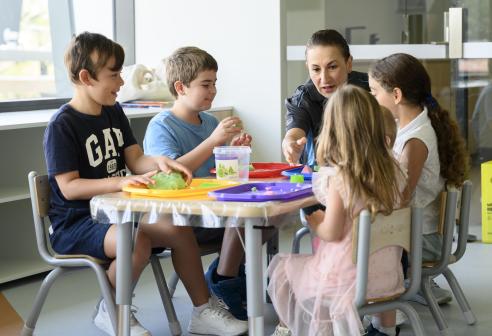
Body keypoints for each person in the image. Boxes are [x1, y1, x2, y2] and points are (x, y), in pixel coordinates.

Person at [44, 32, 248, 336]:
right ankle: (111, 309)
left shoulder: (113, 112)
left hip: (117, 215)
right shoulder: (63, 125)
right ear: (86, 77)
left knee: (177, 230)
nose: (122, 83)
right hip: (76, 222)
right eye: (114, 74)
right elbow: (69, 188)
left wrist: (161, 163)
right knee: (135, 241)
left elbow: (136, 159)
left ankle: (202, 311)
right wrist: (123, 182)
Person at [144, 46, 270, 321]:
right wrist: (213, 141)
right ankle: (225, 282)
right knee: (243, 217)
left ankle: (227, 275)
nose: (213, 90)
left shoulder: (210, 121)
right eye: (205, 84)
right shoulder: (161, 126)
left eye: (214, 83)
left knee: (268, 217)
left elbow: (217, 174)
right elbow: (171, 177)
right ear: (181, 87)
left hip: (213, 210)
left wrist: (235, 152)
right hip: (184, 217)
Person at [268, 85, 406, 336]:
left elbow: (330, 233)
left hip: (347, 280)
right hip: (388, 276)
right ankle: (385, 330)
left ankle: (294, 331)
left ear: (332, 128)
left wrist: (315, 221)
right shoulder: (394, 170)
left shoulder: (341, 178)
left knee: (283, 273)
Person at [368, 52, 469, 306]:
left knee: (353, 238)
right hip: (420, 233)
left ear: (397, 95)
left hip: (422, 241)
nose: (372, 98)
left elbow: (398, 198)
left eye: (375, 91)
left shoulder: (414, 141)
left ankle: (383, 302)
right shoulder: (412, 128)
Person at [281, 29, 369, 227]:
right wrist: (290, 144)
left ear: (348, 63)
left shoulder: (372, 89)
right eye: (316, 69)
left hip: (369, 189)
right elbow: (294, 132)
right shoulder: (304, 97)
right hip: (323, 195)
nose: (324, 78)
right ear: (308, 68)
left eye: (332, 67)